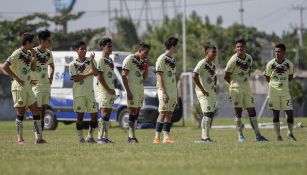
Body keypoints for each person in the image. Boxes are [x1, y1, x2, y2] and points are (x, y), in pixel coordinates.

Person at [3, 32, 47, 144]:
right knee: (21, 113)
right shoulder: (17, 53)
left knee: (36, 111)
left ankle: (39, 138)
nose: (34, 44)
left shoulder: (28, 53)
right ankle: (20, 139)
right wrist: (17, 79)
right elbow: (5, 66)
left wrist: (34, 57)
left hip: (28, 86)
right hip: (18, 87)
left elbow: (32, 68)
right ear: (27, 42)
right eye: (32, 42)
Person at [224, 39, 267, 142]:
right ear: (235, 48)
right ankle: (240, 136)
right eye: (238, 47)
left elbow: (249, 72)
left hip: (247, 88)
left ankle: (258, 135)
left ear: (245, 48)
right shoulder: (233, 60)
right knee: (238, 113)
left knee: (252, 111)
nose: (240, 48)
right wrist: (232, 88)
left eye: (242, 46)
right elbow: (226, 76)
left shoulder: (249, 58)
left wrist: (244, 81)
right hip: (236, 88)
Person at [264, 43, 296, 141]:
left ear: (284, 52)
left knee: (289, 112)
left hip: (285, 92)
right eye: (276, 51)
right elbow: (267, 77)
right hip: (273, 92)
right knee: (275, 114)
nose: (277, 53)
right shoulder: (270, 64)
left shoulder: (289, 64)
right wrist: (274, 84)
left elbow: (290, 77)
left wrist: (283, 83)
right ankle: (278, 136)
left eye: (279, 51)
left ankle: (290, 133)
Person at [69, 41, 99, 143]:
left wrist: (91, 61)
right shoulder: (72, 64)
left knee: (95, 116)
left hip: (90, 93)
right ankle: (80, 138)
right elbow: (76, 79)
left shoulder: (90, 61)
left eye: (85, 48)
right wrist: (87, 73)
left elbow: (95, 73)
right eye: (81, 49)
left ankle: (90, 136)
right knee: (80, 116)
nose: (84, 50)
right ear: (76, 50)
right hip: (78, 94)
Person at [122, 42, 151, 143]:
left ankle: (133, 136)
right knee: (132, 112)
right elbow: (124, 75)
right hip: (132, 89)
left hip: (140, 89)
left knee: (137, 113)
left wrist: (146, 66)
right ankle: (130, 137)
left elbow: (145, 78)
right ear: (140, 50)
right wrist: (128, 91)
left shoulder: (142, 61)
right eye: (145, 52)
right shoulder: (130, 58)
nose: (146, 54)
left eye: (148, 53)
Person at [153, 37, 179, 144]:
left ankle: (166, 137)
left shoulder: (172, 60)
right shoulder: (161, 58)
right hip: (164, 91)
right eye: (177, 46)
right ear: (172, 46)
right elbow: (159, 75)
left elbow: (173, 77)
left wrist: (176, 92)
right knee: (163, 112)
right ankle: (156, 137)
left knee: (169, 113)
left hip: (172, 91)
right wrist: (164, 92)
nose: (178, 48)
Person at [192, 44, 217, 143]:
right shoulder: (202, 63)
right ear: (207, 53)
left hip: (210, 92)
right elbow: (194, 76)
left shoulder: (213, 65)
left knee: (210, 114)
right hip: (203, 93)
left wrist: (214, 83)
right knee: (207, 114)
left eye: (215, 52)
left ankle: (206, 137)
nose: (215, 54)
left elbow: (214, 76)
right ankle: (204, 137)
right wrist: (202, 90)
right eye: (213, 52)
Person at [31, 30, 54, 131]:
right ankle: (37, 131)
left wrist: (51, 78)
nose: (50, 42)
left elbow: (52, 66)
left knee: (44, 110)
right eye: (48, 40)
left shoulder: (49, 53)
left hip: (46, 85)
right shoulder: (33, 52)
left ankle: (40, 133)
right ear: (42, 40)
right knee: (38, 109)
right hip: (36, 85)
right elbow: (28, 67)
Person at [95, 38, 116, 144]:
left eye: (111, 46)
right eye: (109, 46)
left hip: (110, 90)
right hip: (104, 91)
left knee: (108, 113)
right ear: (102, 47)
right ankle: (99, 138)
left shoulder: (110, 60)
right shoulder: (101, 59)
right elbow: (99, 76)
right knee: (103, 112)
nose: (111, 48)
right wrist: (108, 89)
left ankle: (105, 137)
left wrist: (112, 89)